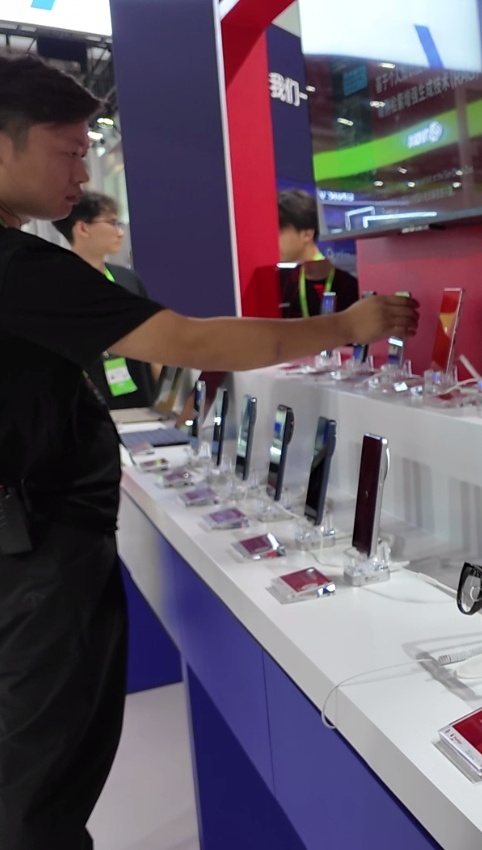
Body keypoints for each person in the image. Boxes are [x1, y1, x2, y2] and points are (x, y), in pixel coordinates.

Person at [0, 56, 417, 849]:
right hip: (35, 551)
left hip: (28, 541)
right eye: (68, 151)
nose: (83, 174)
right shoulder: (19, 268)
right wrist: (345, 326)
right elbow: (189, 342)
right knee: (39, 775)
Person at [51, 191, 157, 409]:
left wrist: (166, 401)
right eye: (112, 223)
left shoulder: (127, 279)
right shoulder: (57, 284)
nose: (120, 232)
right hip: (85, 406)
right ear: (83, 228)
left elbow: (153, 342)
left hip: (139, 401)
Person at [277, 188, 359, 318]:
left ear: (307, 234)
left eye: (279, 232)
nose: (271, 240)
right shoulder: (280, 282)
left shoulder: (349, 285)